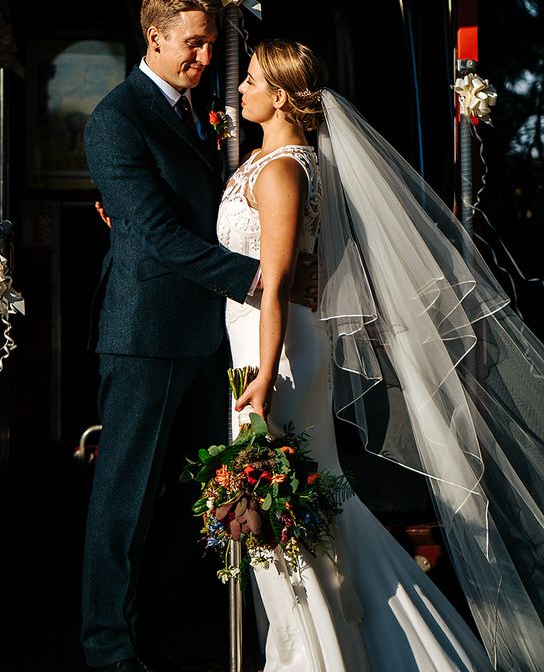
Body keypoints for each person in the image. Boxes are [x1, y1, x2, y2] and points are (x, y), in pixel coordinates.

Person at [220, 38, 544, 672]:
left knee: (281, 507)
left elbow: (279, 281)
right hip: (269, 345)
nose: (240, 88)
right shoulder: (285, 162)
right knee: (312, 501)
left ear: (282, 97)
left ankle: (313, 657)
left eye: (251, 79)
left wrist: (261, 376)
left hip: (274, 355)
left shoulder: (283, 169)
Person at [83, 0, 301, 672]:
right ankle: (109, 650)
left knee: (190, 502)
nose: (206, 56)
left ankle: (158, 634)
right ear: (155, 37)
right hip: (145, 337)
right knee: (123, 504)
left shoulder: (196, 109)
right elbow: (152, 232)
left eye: (209, 43)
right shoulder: (117, 117)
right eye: (194, 42)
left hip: (204, 336)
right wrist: (251, 276)